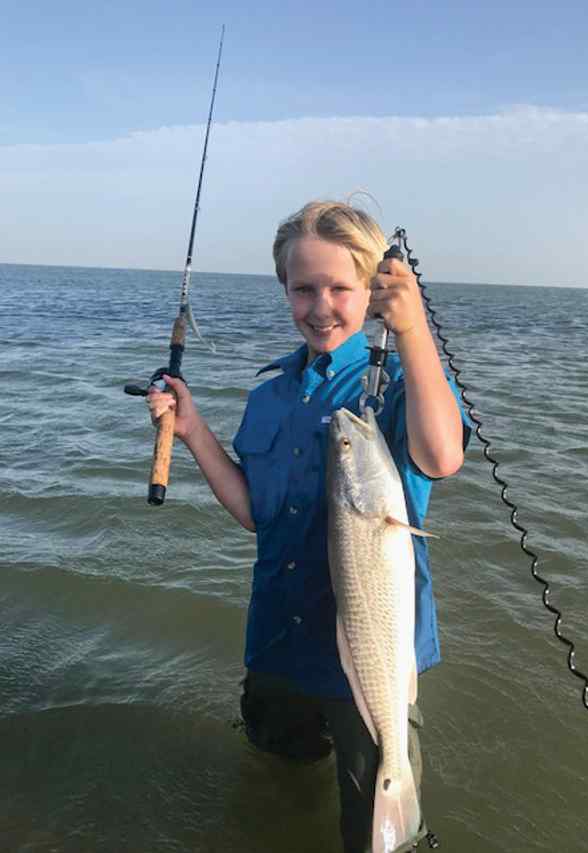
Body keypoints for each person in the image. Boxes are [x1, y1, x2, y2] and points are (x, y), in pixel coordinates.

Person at [147, 201, 471, 852]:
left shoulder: (400, 378)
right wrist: (191, 430)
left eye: (340, 288)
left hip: (372, 663)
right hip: (276, 645)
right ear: (285, 290)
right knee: (274, 782)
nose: (320, 305)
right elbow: (253, 512)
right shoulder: (269, 391)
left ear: (372, 289)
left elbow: (441, 455)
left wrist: (412, 331)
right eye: (303, 288)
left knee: (379, 819)